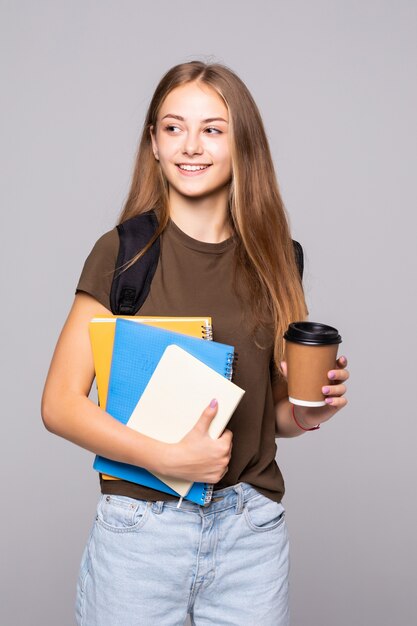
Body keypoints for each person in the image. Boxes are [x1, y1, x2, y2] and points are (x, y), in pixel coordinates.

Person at [41, 60, 349, 626]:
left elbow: (266, 416)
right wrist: (166, 457)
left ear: (243, 146)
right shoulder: (122, 253)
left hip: (249, 535)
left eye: (213, 128)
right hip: (141, 533)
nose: (191, 146)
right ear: (154, 145)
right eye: (172, 127)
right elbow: (59, 404)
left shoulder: (279, 258)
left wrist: (309, 413)